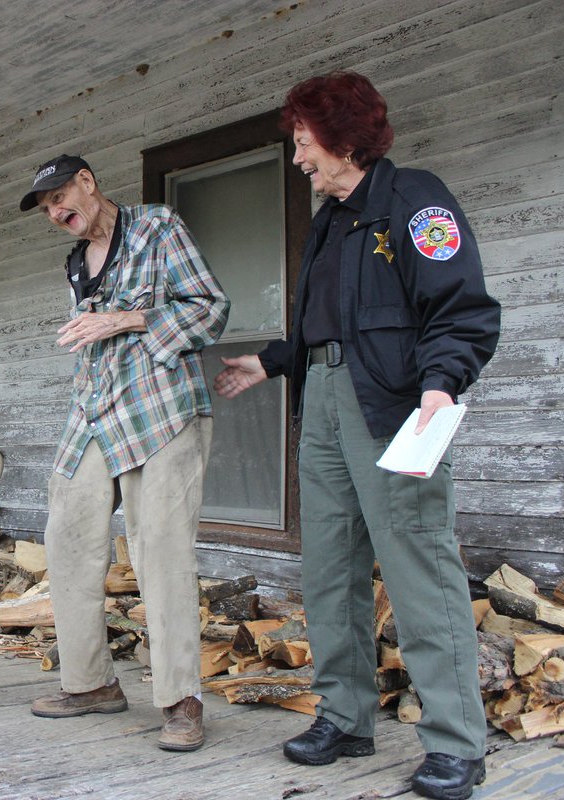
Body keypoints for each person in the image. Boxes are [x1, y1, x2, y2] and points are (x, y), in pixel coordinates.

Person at [213, 72, 500, 799]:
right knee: (330, 571)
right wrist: (273, 361)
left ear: (342, 139)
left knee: (419, 571)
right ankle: (345, 719)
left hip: (395, 411)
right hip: (325, 405)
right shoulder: (330, 221)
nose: (297, 158)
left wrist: (441, 386)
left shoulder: (416, 201)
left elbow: (462, 310)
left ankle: (457, 743)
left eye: (303, 142)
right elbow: (332, 323)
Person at [18, 155, 229, 751]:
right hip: (94, 410)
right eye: (47, 209)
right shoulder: (74, 263)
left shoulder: (158, 228)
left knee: (160, 549)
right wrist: (92, 331)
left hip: (160, 409)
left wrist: (123, 320)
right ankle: (90, 685)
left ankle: (181, 700)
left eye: (62, 197)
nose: (57, 212)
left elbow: (210, 309)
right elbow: (93, 336)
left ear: (88, 182)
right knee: (67, 536)